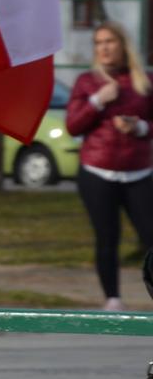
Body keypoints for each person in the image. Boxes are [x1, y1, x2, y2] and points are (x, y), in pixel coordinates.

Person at [65, 21, 153, 312]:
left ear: (123, 45)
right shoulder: (87, 82)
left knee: (150, 237)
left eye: (109, 42)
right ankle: (112, 300)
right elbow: (73, 126)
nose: (103, 48)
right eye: (98, 43)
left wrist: (139, 127)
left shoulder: (144, 82)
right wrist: (97, 101)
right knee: (107, 237)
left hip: (139, 172)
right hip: (97, 172)